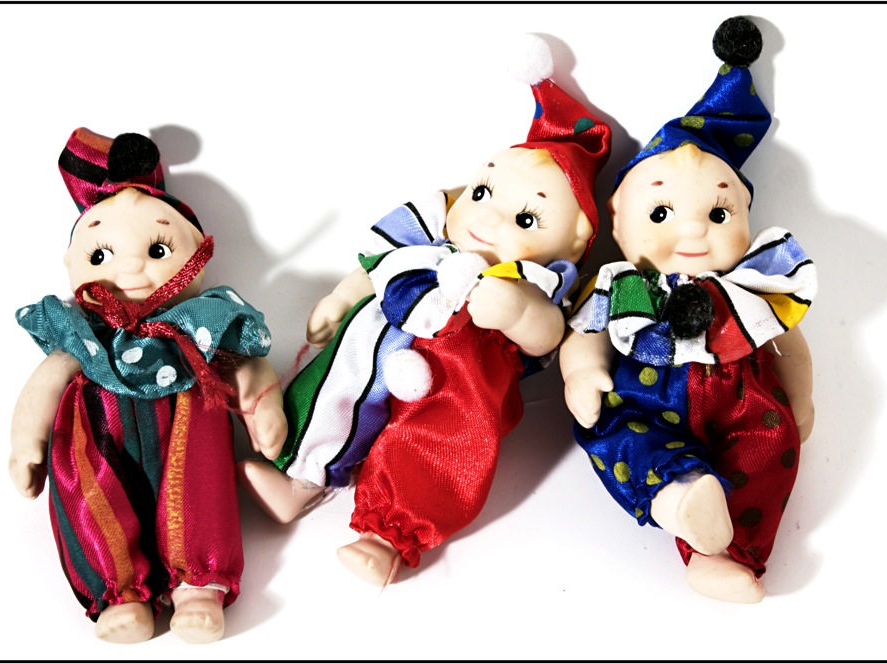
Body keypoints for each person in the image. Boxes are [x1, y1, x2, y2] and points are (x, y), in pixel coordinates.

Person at [240, 35, 612, 585]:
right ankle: (300, 477)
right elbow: (375, 268)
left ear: (576, 243)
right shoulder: (423, 246)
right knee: (333, 384)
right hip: (381, 339)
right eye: (483, 193)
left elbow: (547, 334)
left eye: (527, 220)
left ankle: (389, 534)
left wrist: (513, 311)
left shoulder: (534, 282)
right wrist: (341, 298)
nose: (488, 217)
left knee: (439, 445)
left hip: (458, 375)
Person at [560, 17, 816, 603]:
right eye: (660, 214)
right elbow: (586, 332)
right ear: (618, 225)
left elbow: (789, 342)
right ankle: (679, 502)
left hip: (744, 400)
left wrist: (800, 396)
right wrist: (581, 371)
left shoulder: (753, 286)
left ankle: (720, 558)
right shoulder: (626, 283)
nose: (695, 229)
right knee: (625, 439)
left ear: (747, 218)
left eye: (719, 214)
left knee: (768, 448)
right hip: (646, 396)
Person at [10, 129, 286, 642]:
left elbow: (243, 363)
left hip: (188, 420)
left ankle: (199, 585)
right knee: (89, 490)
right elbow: (48, 379)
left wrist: (261, 403)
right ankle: (118, 594)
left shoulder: (198, 322)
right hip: (97, 430)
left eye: (158, 248)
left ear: (198, 252)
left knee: (200, 484)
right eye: (100, 256)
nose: (131, 267)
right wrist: (26, 441)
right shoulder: (79, 332)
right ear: (71, 265)